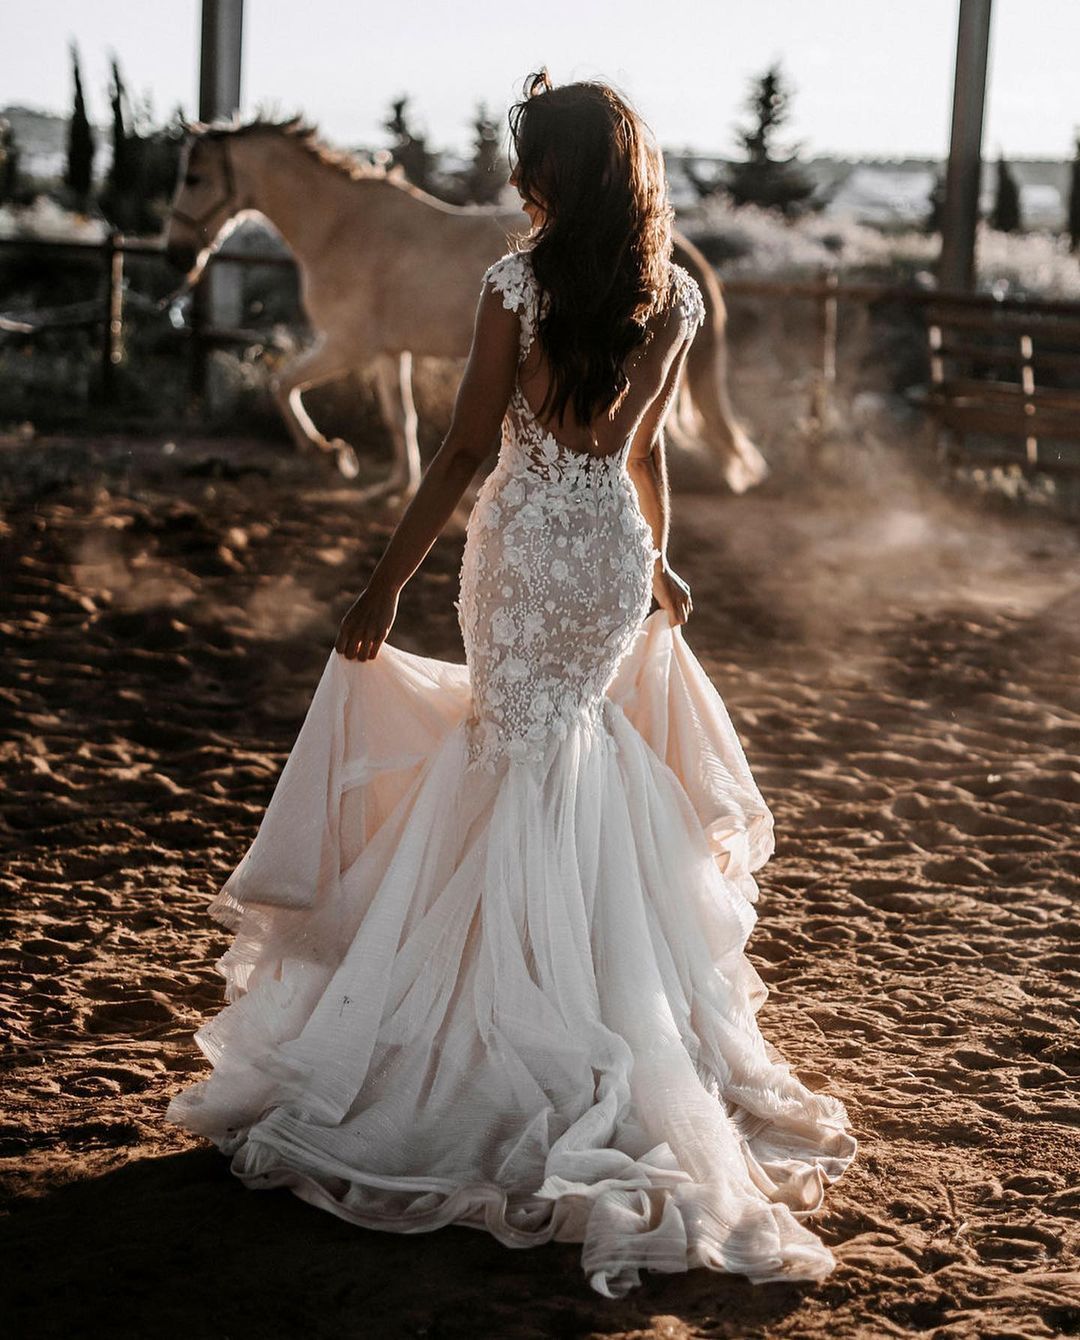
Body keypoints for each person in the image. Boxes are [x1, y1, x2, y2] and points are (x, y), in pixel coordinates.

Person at [165, 69, 856, 1299]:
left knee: (510, 746)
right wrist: (657, 564)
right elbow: (642, 454)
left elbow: (464, 449)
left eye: (529, 156)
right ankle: (604, 1007)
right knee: (576, 746)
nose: (517, 177)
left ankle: (501, 1026)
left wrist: (383, 584)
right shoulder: (675, 295)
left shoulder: (514, 284)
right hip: (605, 556)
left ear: (557, 171)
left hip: (528, 546)